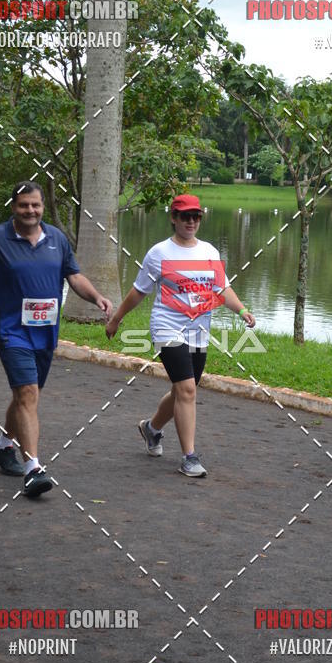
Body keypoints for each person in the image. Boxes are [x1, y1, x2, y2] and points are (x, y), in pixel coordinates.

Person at [0, 181, 112, 497]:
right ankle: (34, 470)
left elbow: (74, 276)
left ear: (42, 207)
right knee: (28, 393)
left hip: (45, 333)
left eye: (35, 205)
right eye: (23, 205)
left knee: (26, 395)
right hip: (11, 331)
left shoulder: (56, 238)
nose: (30, 210)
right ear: (14, 207)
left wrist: (97, 297)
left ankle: (3, 447)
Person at [105, 194, 255, 479]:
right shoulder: (159, 253)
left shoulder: (209, 251)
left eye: (196, 216)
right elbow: (139, 291)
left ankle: (151, 429)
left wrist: (242, 310)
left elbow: (222, 289)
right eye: (185, 216)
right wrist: (116, 318)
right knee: (187, 390)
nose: (191, 221)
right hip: (167, 327)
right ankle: (189, 457)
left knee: (181, 390)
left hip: (198, 331)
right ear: (173, 218)